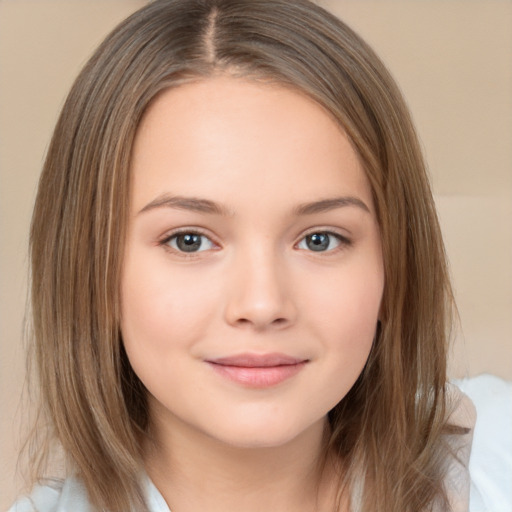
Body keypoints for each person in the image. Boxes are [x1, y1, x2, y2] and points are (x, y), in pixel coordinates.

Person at [8, 0, 475, 511]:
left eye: (320, 239)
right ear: (90, 272)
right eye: (189, 240)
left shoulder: (495, 465)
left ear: (396, 269)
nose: (261, 303)